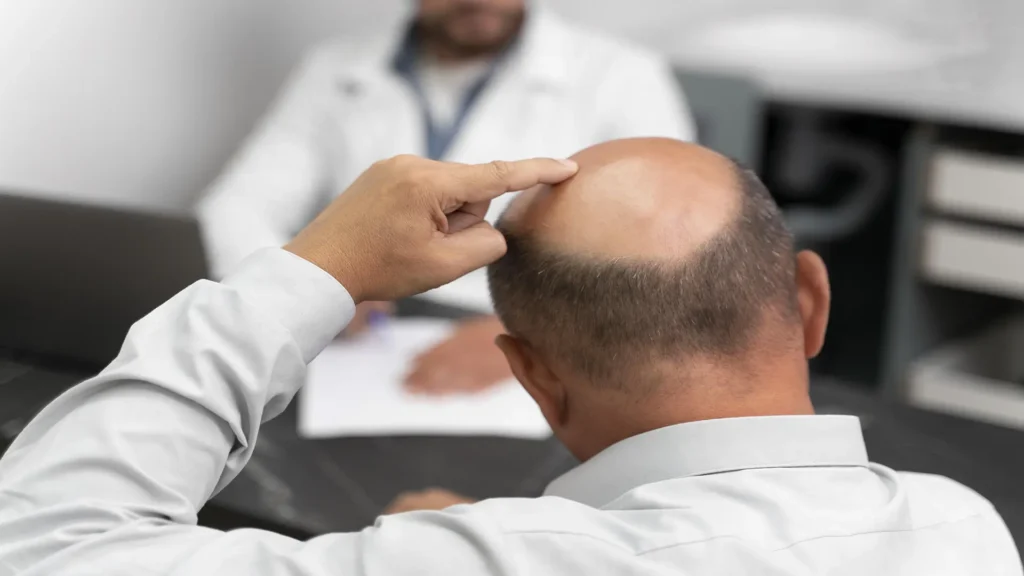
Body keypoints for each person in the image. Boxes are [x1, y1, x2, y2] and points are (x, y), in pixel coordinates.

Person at [0, 142, 1017, 575]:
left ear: (528, 373)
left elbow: (44, 547)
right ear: (809, 301)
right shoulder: (967, 529)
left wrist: (319, 269)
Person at [197, 0, 695, 395]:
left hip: (542, 350)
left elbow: (671, 244)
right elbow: (237, 207)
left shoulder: (624, 75)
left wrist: (537, 339)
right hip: (360, 351)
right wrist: (313, 294)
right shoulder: (333, 68)